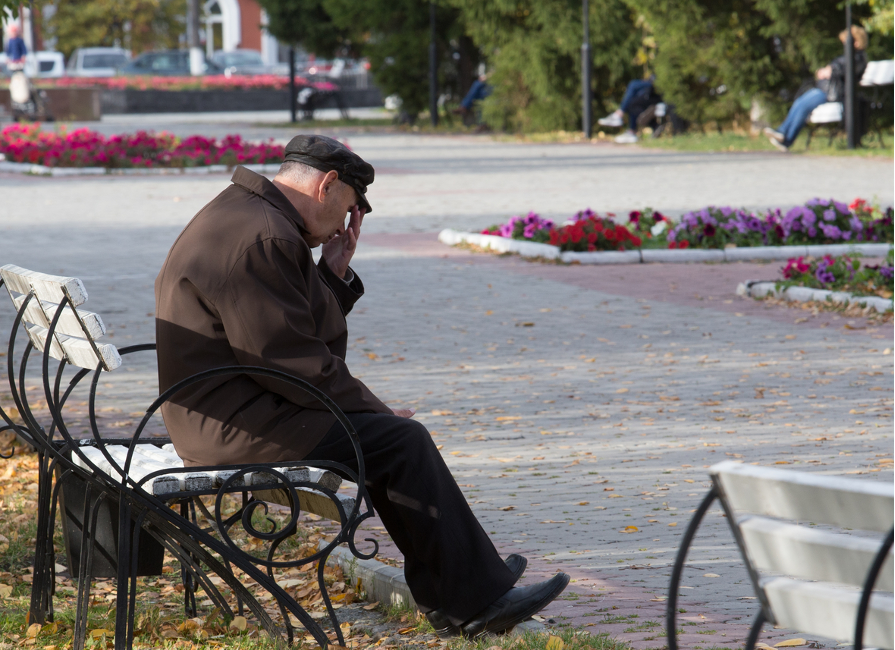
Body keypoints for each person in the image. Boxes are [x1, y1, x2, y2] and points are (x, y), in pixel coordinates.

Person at [154, 135, 569, 638]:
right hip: (232, 424)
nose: (345, 226)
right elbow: (292, 363)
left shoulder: (249, 214)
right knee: (400, 442)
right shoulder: (266, 236)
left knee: (386, 440)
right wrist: (379, 412)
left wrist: (330, 275)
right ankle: (473, 599)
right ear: (327, 185)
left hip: (225, 409)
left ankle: (457, 591)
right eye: (348, 209)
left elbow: (283, 337)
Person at [765, 26, 868, 152]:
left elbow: (846, 71)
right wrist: (826, 70)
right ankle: (784, 136)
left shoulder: (858, 58)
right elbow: (839, 67)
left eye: (847, 41)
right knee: (800, 102)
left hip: (834, 93)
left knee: (803, 105)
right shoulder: (851, 56)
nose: (845, 44)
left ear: (856, 42)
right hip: (828, 90)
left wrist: (830, 70)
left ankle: (785, 136)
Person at [598, 76, 656, 144]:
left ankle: (619, 115)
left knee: (633, 84)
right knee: (631, 100)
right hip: (652, 82)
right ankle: (631, 132)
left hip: (657, 84)